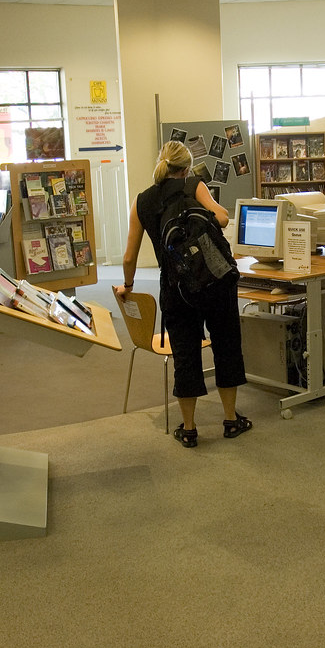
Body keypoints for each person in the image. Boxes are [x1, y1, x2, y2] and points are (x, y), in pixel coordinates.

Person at [114, 140, 252, 448]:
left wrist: (129, 286)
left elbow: (128, 257)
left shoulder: (142, 202)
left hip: (176, 288)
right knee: (227, 347)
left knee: (185, 356)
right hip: (216, 281)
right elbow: (223, 217)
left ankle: (189, 429)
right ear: (186, 167)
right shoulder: (195, 185)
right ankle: (231, 420)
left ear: (161, 164)